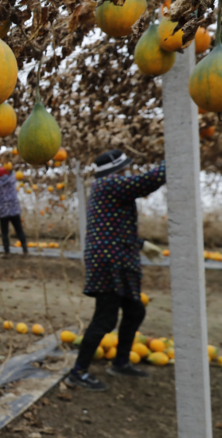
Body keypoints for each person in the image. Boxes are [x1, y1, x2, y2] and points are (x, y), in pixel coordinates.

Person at [66, 149, 164, 391]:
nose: (127, 172)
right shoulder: (109, 184)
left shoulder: (107, 188)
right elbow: (146, 182)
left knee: (134, 312)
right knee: (105, 318)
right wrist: (172, 158)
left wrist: (140, 244)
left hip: (117, 258)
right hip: (109, 262)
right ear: (116, 170)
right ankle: (77, 372)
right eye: (125, 168)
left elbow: (111, 226)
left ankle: (120, 362)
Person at [0, 166, 27, 257]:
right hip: (14, 210)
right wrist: (10, 170)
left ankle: (7, 252)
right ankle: (25, 250)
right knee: (19, 230)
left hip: (3, 212)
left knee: (5, 232)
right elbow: (13, 174)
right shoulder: (12, 180)